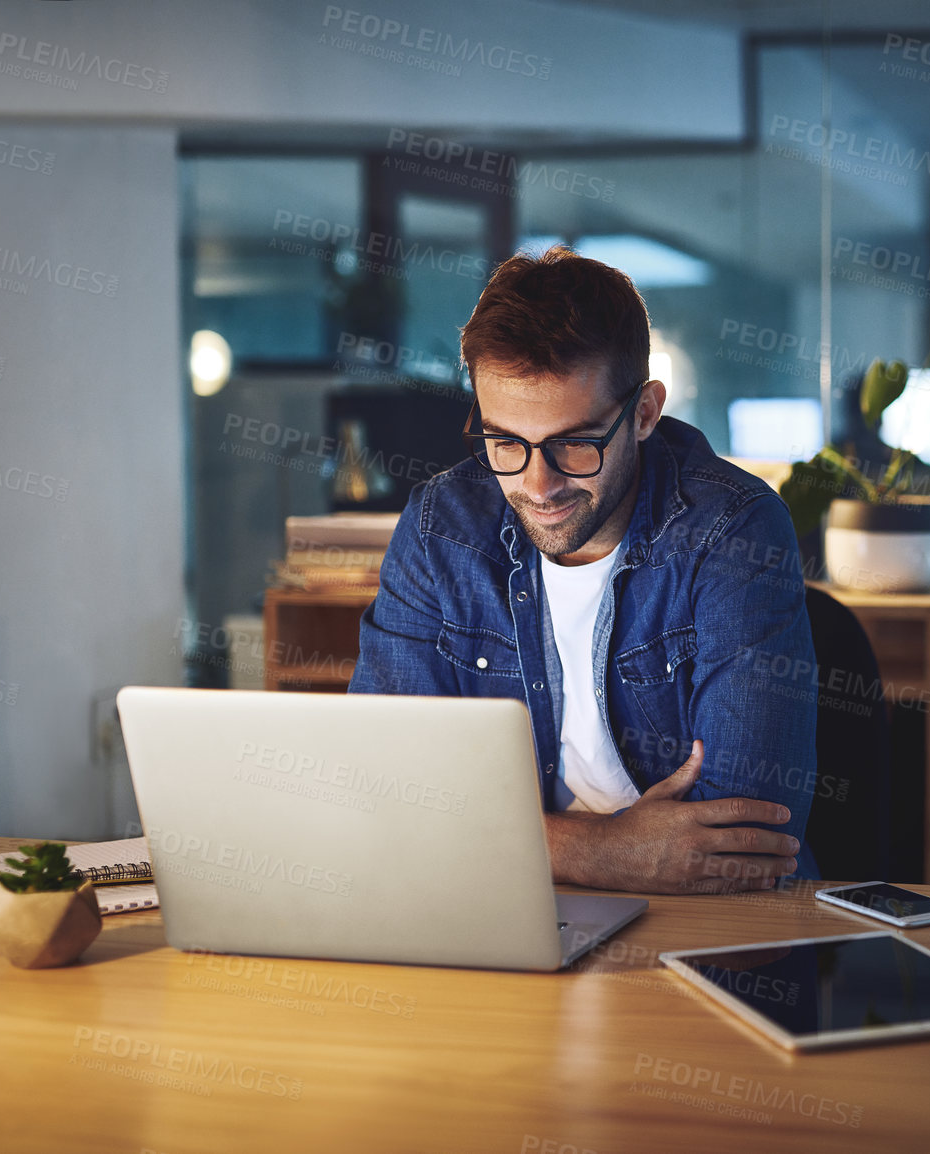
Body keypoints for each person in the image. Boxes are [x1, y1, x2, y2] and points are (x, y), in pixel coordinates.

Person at [350, 245, 817, 894]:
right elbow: (385, 792)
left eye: (576, 443)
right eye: (505, 442)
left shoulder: (731, 528)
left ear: (646, 413)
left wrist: (499, 838)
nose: (538, 484)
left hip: (707, 926)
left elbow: (747, 835)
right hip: (504, 905)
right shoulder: (440, 530)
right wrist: (599, 853)